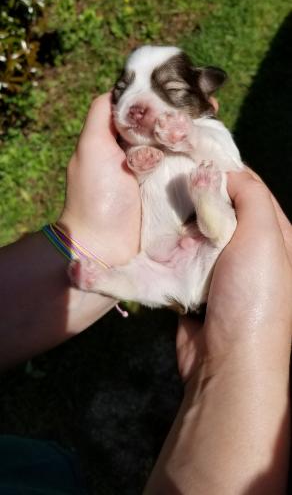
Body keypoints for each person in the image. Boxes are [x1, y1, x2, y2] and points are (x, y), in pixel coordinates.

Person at [0, 93, 291, 494]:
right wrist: (240, 354)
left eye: (164, 89)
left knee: (197, 248)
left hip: (198, 257)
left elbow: (220, 155)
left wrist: (91, 238)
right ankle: (105, 277)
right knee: (151, 278)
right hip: (172, 262)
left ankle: (116, 268)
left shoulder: (200, 128)